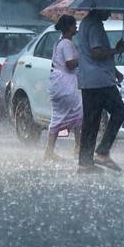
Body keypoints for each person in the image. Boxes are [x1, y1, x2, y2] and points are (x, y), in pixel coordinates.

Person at [76, 9, 124, 173]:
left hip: (88, 80)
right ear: (98, 8)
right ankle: (103, 151)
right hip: (100, 80)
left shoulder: (85, 23)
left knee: (91, 121)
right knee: (119, 111)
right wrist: (116, 51)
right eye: (107, 9)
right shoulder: (95, 25)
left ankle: (85, 162)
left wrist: (115, 71)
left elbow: (89, 54)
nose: (110, 13)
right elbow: (96, 53)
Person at [44, 15, 82, 162]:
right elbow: (70, 64)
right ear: (69, 27)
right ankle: (78, 150)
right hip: (66, 85)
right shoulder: (66, 44)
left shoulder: (59, 42)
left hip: (59, 85)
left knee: (59, 117)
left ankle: (49, 151)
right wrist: (83, 58)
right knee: (79, 116)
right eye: (74, 25)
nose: (76, 27)